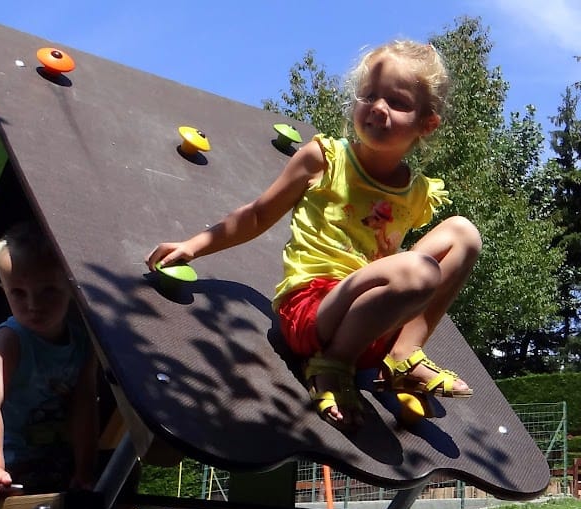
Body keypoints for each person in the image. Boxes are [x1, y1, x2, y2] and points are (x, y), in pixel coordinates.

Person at [146, 40, 482, 430]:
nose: (377, 107)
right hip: (313, 312)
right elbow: (257, 216)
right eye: (369, 94)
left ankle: (405, 355)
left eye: (397, 101)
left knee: (464, 234)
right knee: (420, 270)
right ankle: (331, 364)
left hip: (371, 327)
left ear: (427, 124)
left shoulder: (417, 191)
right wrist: (194, 246)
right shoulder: (325, 159)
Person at [0, 222, 98, 495]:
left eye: (48, 291)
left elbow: (85, 407)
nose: (33, 304)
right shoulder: (9, 340)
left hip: (60, 458)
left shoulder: (84, 342)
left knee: (121, 473)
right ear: (4, 289)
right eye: (18, 293)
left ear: (70, 286)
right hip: (18, 464)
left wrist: (84, 470)